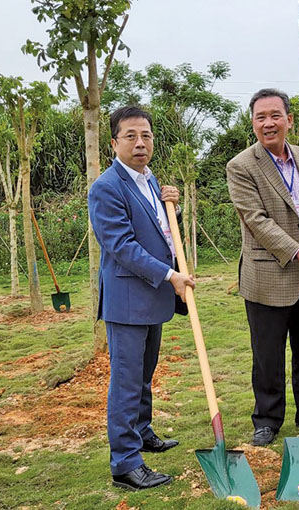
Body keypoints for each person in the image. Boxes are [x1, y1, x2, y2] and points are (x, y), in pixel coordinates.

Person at [88, 105, 195, 490]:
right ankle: (125, 464)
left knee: (144, 375)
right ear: (114, 142)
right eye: (130, 136)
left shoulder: (150, 181)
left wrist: (174, 209)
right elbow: (122, 246)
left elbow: (162, 234)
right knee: (127, 381)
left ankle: (142, 431)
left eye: (146, 136)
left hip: (152, 298)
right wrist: (170, 275)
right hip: (128, 301)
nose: (139, 143)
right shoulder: (106, 187)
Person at [226, 88, 299, 446]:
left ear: (289, 120)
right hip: (269, 271)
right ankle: (267, 418)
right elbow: (256, 220)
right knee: (267, 352)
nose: (268, 123)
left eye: (275, 116)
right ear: (252, 123)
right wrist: (297, 251)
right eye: (260, 117)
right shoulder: (241, 166)